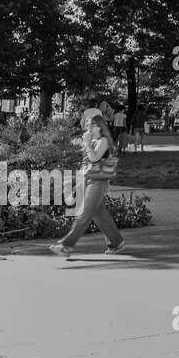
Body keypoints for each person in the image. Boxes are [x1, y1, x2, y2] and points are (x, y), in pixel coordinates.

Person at [50, 108, 125, 257]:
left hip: (98, 182)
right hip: (88, 179)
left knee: (84, 214)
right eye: (88, 125)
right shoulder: (93, 140)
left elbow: (95, 158)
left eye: (91, 125)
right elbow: (86, 164)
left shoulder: (102, 141)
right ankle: (116, 242)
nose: (88, 127)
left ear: (99, 127)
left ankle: (66, 246)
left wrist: (87, 144)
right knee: (99, 215)